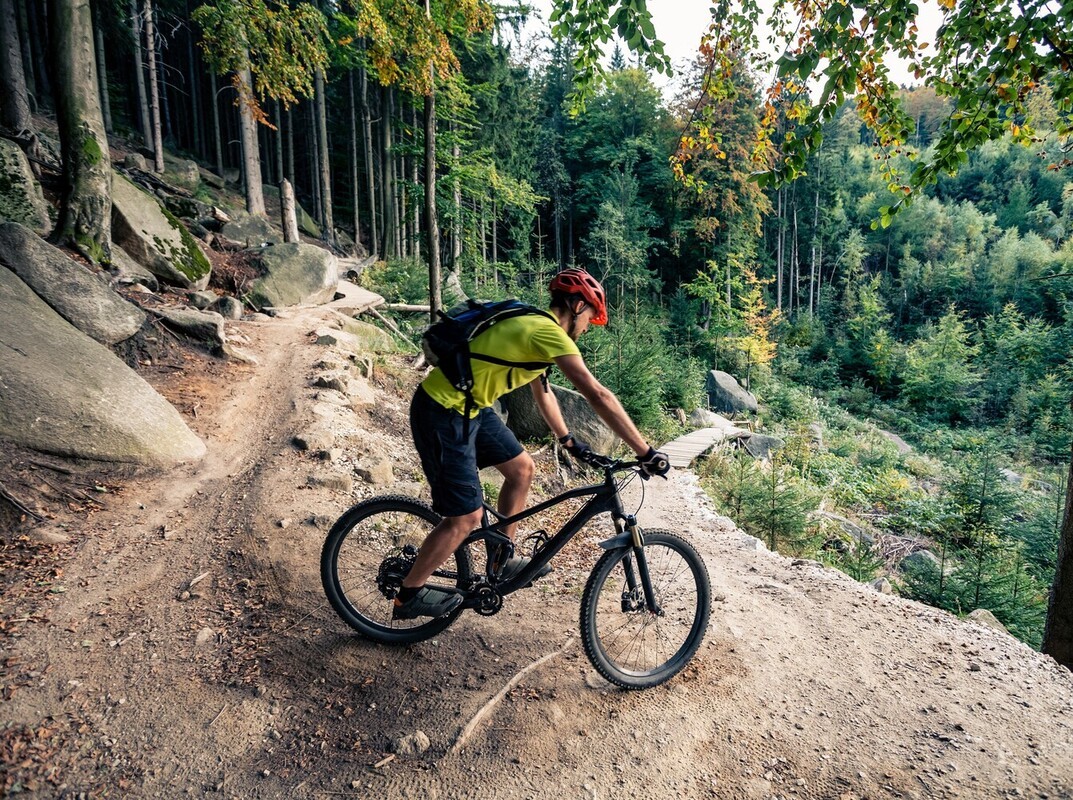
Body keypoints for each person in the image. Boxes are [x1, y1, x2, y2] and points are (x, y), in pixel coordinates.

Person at [396, 268, 671, 619]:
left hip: (470, 408)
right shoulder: (546, 331)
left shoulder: (538, 328)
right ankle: (409, 594)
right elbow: (597, 394)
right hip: (443, 410)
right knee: (465, 517)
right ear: (575, 306)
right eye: (589, 316)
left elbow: (543, 391)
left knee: (522, 469)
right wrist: (645, 451)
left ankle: (501, 556)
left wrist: (567, 440)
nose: (588, 326)